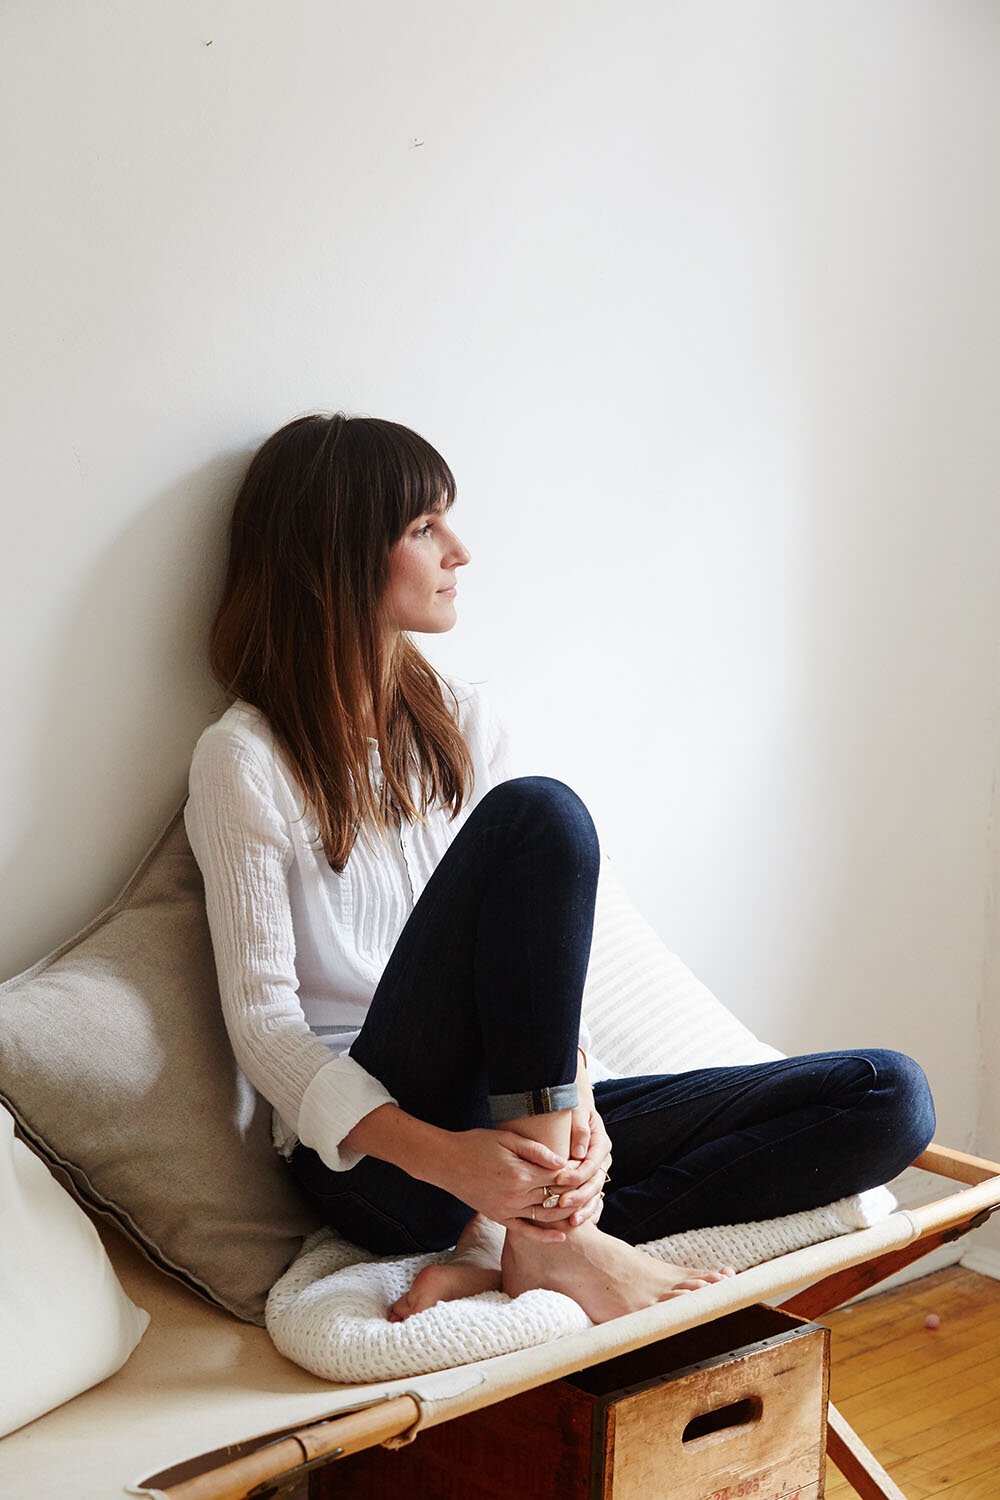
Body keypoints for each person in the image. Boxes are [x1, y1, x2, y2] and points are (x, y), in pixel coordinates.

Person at [185, 412, 936, 1325]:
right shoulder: (244, 760)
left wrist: (580, 1109)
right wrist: (445, 1158)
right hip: (384, 1166)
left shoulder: (465, 720)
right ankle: (550, 1240)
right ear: (337, 558)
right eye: (424, 529)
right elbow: (265, 1026)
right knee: (544, 814)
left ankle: (527, 1247)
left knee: (890, 1097)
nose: (458, 551)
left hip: (511, 1129)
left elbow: (534, 965)